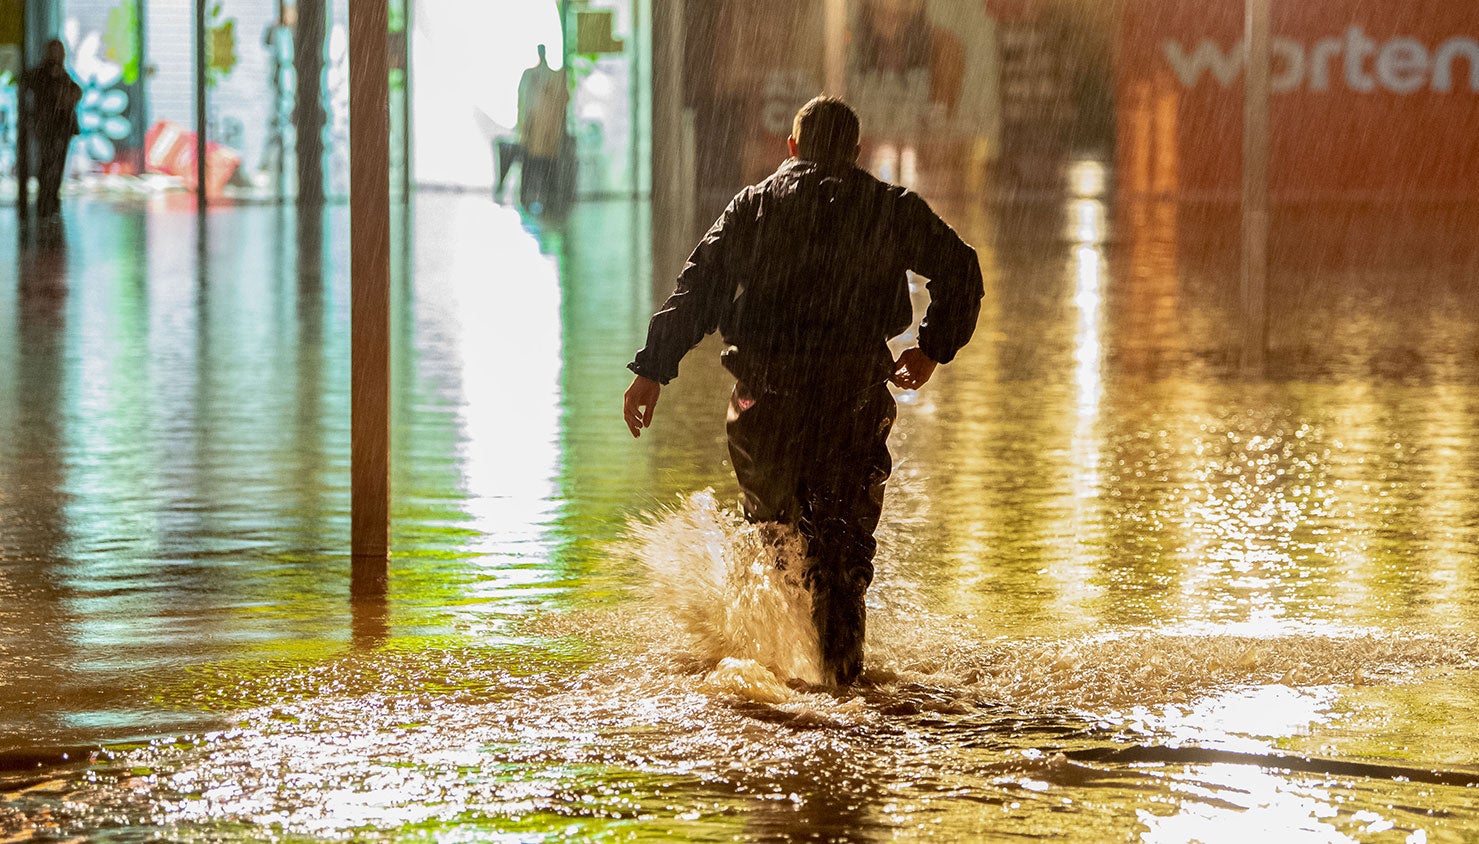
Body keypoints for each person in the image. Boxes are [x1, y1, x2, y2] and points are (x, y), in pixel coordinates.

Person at [623, 96, 982, 687]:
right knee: (842, 554)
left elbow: (699, 292)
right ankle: (842, 690)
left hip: (767, 403)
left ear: (792, 148)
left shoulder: (756, 205)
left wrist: (651, 370)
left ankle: (781, 680)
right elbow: (962, 269)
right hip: (853, 400)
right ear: (856, 152)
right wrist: (931, 347)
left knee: (777, 543)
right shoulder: (887, 207)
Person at [21, 39, 83, 220]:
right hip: (49, 127)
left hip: (60, 127)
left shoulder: (61, 75)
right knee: (48, 164)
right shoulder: (42, 75)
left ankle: (51, 200)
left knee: (56, 165)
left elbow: (76, 91)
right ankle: (46, 201)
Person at [515, 44, 568, 213]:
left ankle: (545, 200)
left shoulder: (552, 78)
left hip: (545, 135)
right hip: (538, 135)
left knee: (542, 168)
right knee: (536, 167)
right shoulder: (534, 77)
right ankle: (536, 199)